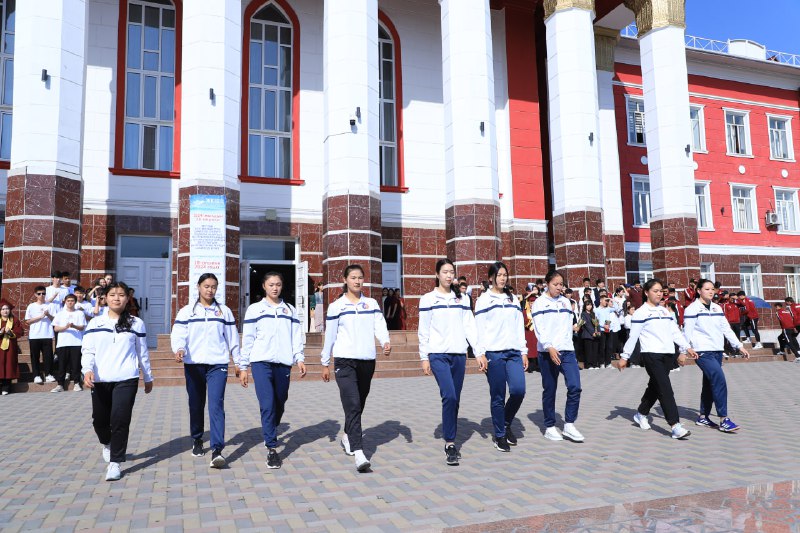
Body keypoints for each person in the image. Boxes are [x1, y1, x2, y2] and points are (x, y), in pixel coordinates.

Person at [320, 264, 391, 473]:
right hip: (344, 361)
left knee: (359, 403)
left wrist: (385, 341)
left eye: (360, 277)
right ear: (345, 280)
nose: (357, 281)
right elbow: (330, 335)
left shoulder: (371, 303)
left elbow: (380, 324)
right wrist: (325, 362)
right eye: (353, 277)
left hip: (367, 360)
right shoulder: (337, 306)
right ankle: (359, 452)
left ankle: (347, 435)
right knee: (352, 403)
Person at [82, 281, 153, 481]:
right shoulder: (95, 323)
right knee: (100, 421)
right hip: (100, 379)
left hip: (126, 378)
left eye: (121, 295)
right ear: (105, 298)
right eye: (112, 294)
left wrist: (148, 376)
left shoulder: (136, 323)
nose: (116, 298)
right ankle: (107, 443)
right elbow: (88, 350)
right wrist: (87, 370)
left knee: (120, 419)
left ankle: (115, 462)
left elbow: (142, 352)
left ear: (127, 298)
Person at [171, 273, 240, 468]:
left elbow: (232, 338)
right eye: (206, 286)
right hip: (194, 364)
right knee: (196, 404)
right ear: (198, 287)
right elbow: (178, 334)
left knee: (216, 405)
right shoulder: (187, 312)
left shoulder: (224, 312)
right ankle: (197, 439)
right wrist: (179, 349)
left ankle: (217, 450)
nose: (210, 290)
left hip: (218, 364)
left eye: (213, 286)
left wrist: (238, 362)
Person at [238, 271, 306, 470]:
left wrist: (299, 358)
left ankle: (271, 426)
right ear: (264, 286)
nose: (275, 288)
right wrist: (243, 366)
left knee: (279, 402)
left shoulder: (290, 310)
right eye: (271, 284)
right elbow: (248, 339)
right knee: (267, 404)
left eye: (278, 284)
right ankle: (272, 448)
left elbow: (296, 336)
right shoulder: (255, 309)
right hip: (261, 362)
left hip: (283, 362)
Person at [618, 279, 698, 439]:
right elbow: (633, 336)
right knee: (665, 389)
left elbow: (675, 332)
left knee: (655, 386)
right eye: (655, 291)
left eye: (661, 291)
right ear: (646, 292)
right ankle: (675, 426)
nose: (659, 294)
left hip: (667, 354)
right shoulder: (641, 312)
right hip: (651, 355)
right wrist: (624, 356)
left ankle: (641, 413)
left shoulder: (664, 311)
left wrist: (686, 347)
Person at [418, 259, 478, 464]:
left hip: (458, 355)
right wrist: (424, 357)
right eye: (445, 272)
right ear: (437, 275)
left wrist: (478, 352)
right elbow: (423, 330)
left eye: (452, 272)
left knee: (455, 398)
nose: (449, 275)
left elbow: (469, 326)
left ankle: (450, 433)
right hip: (438, 355)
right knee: (449, 395)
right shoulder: (428, 299)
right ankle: (450, 443)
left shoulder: (462, 298)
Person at [474, 262, 528, 453]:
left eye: (505, 275)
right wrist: (480, 353)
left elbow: (519, 327)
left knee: (518, 390)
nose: (503, 278)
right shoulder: (484, 300)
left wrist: (523, 351)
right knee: (498, 395)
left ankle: (505, 422)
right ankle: (499, 435)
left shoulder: (513, 299)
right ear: (491, 278)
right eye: (499, 275)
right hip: (493, 353)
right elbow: (478, 328)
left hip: (513, 352)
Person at [683, 279, 750, 432]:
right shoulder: (692, 309)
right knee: (719, 380)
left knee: (709, 383)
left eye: (712, 289)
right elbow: (687, 331)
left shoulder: (717, 307)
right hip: (702, 352)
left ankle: (703, 417)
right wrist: (684, 350)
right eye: (707, 289)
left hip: (717, 350)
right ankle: (724, 419)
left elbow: (726, 328)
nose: (711, 292)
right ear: (699, 291)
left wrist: (739, 346)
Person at [531, 270, 584, 442]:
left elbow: (568, 326)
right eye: (555, 284)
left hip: (567, 351)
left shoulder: (566, 302)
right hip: (547, 352)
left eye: (561, 284)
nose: (559, 287)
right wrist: (549, 346)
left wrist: (570, 341)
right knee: (550, 389)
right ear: (547, 284)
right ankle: (549, 426)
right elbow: (539, 328)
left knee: (575, 386)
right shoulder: (539, 303)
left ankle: (569, 424)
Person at [51, 294, 87, 393]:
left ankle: (77, 383)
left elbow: (82, 327)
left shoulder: (80, 313)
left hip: (76, 342)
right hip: (63, 343)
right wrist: (66, 327)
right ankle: (60, 385)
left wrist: (74, 326)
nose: (70, 302)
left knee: (76, 364)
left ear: (75, 302)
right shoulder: (60, 314)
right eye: (68, 301)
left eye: (72, 301)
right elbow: (56, 328)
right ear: (65, 302)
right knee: (62, 365)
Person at [25, 286, 55, 384]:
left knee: (48, 356)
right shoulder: (31, 306)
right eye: (39, 294)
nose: (41, 295)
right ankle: (36, 375)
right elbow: (27, 321)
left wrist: (48, 315)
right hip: (35, 335)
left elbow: (55, 320)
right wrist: (40, 317)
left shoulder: (50, 305)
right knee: (35, 357)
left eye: (43, 293)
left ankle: (48, 374)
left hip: (47, 334)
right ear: (35, 295)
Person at [0, 299, 23, 395]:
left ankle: (6, 387)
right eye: (3, 309)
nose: (5, 311)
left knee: (8, 365)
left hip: (10, 347)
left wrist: (10, 332)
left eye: (7, 309)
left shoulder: (15, 320)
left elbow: (20, 331)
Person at [579, 300, 600, 370]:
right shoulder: (583, 314)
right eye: (588, 305)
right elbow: (586, 324)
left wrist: (598, 331)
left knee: (595, 350)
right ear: (585, 306)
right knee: (589, 350)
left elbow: (596, 323)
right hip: (587, 334)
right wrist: (592, 332)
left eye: (590, 305)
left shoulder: (593, 313)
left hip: (595, 334)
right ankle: (588, 364)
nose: (589, 306)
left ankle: (595, 364)